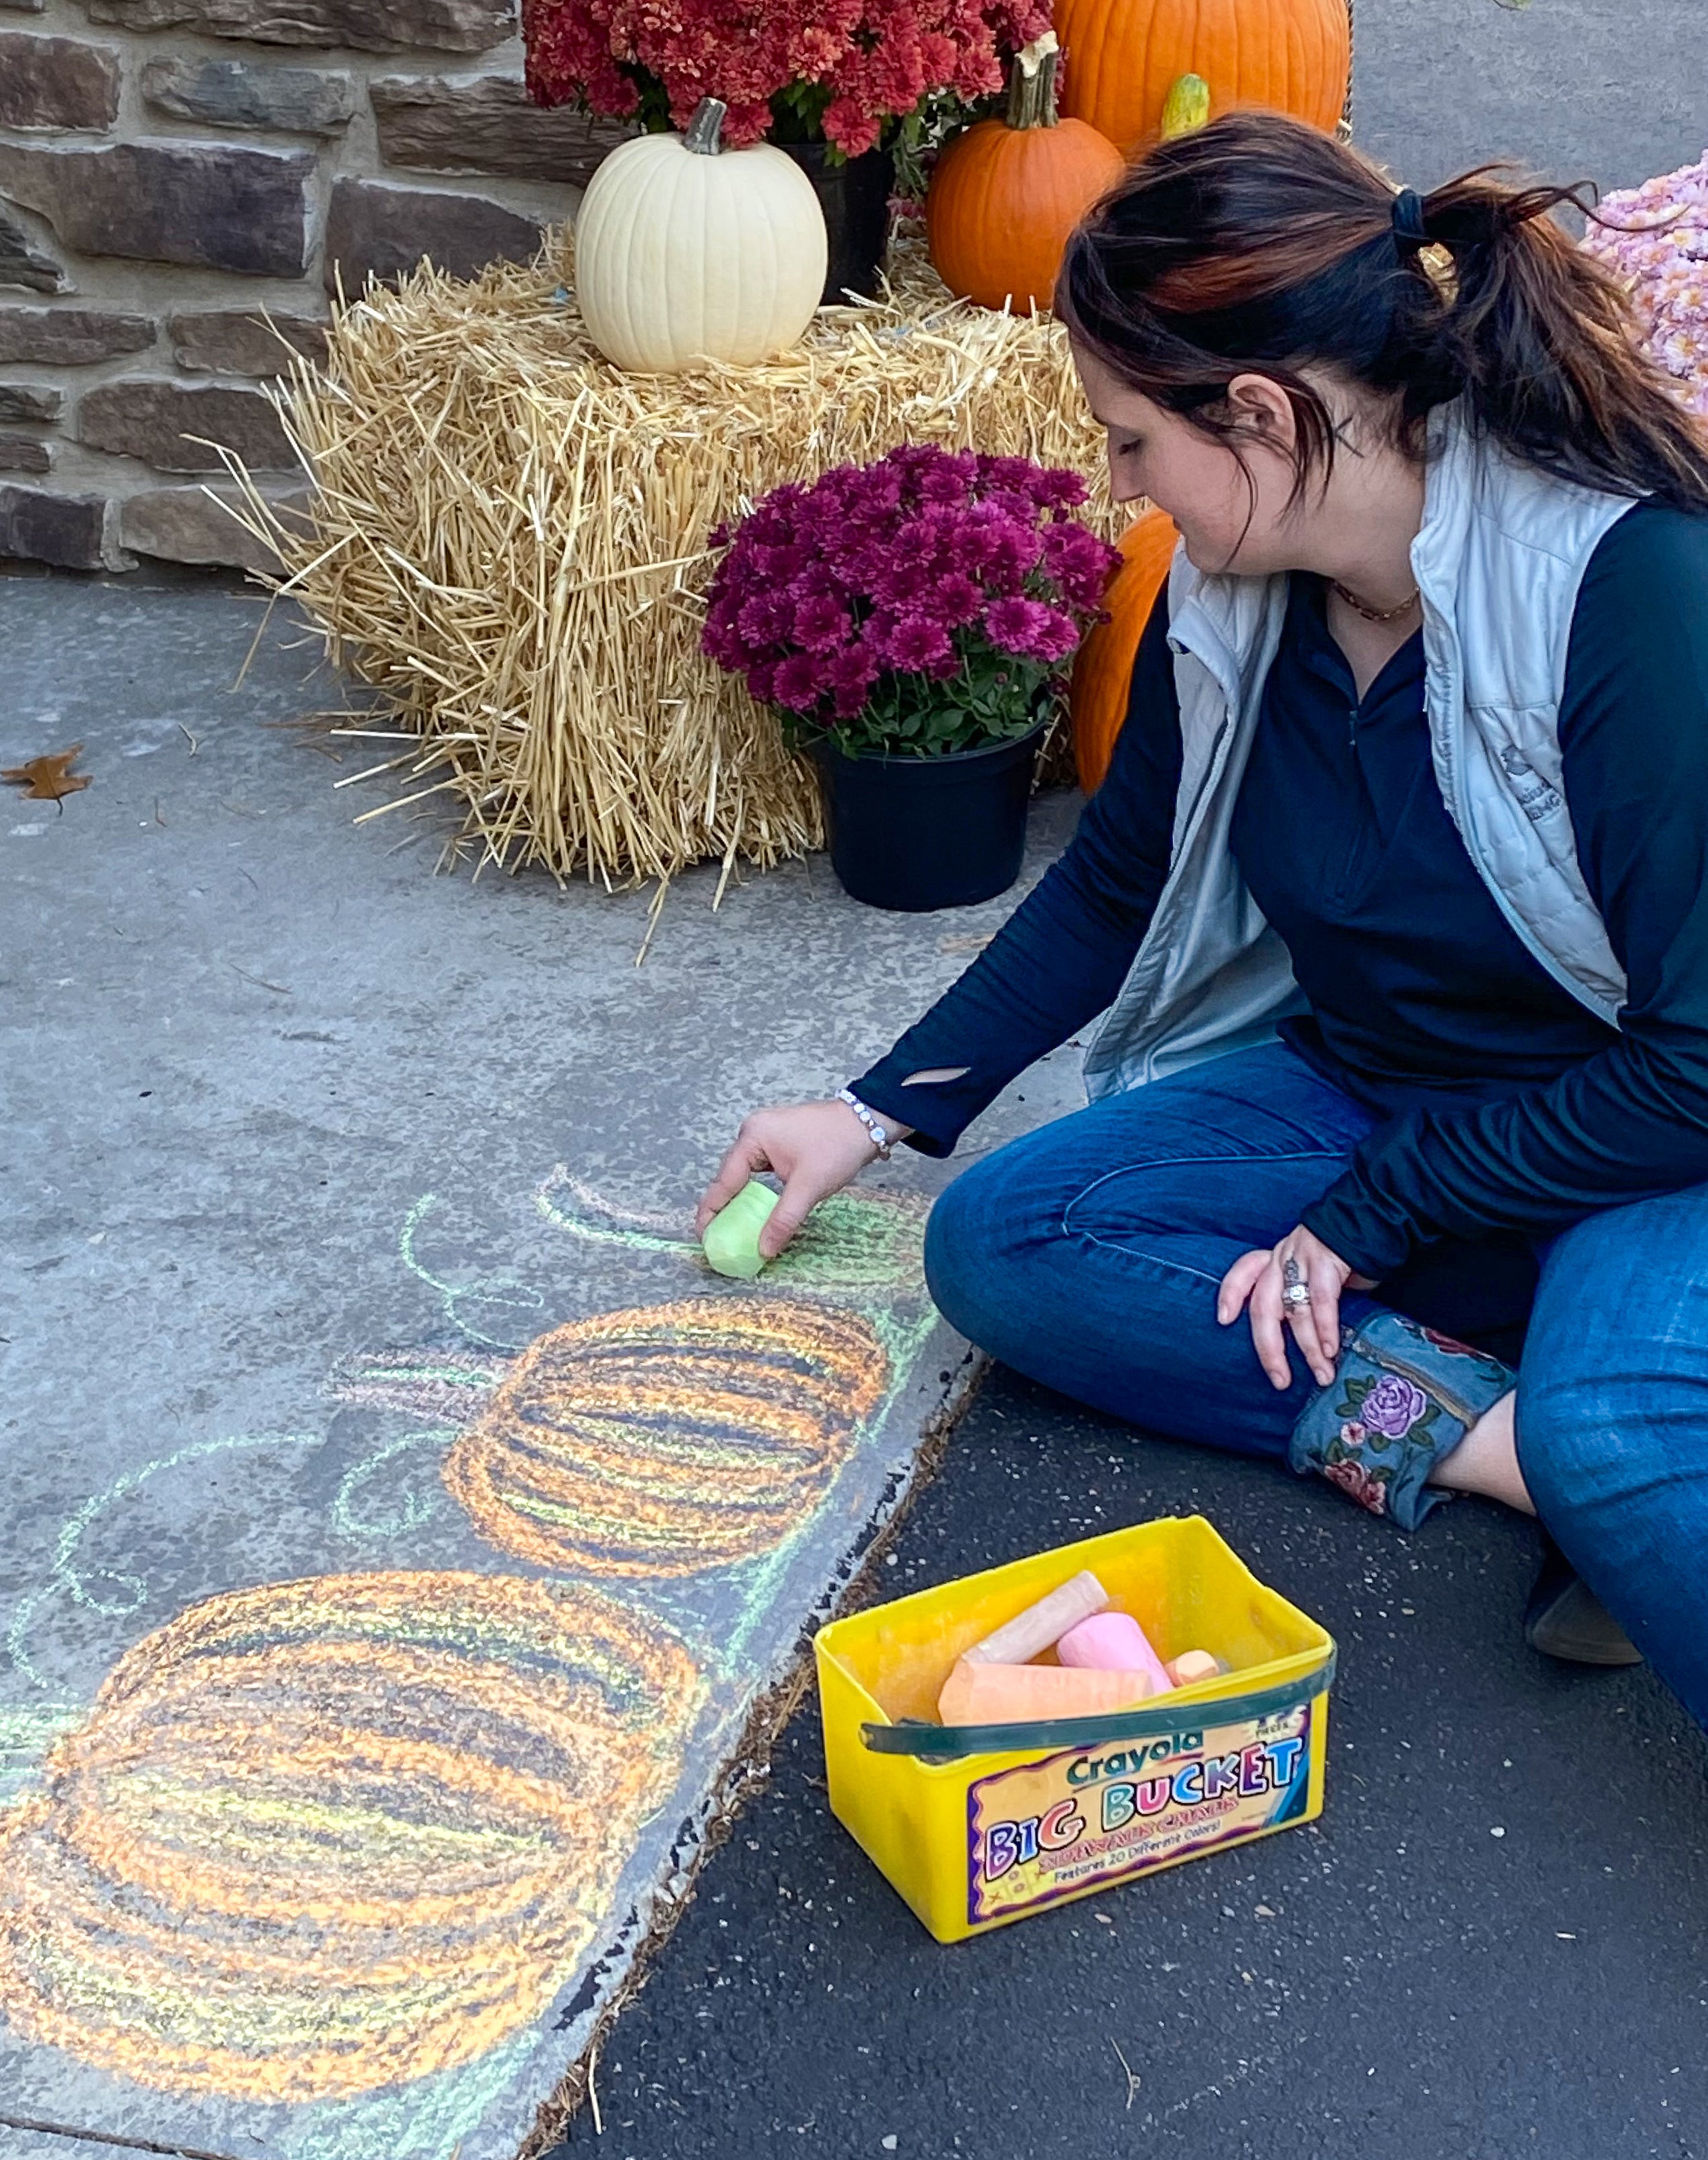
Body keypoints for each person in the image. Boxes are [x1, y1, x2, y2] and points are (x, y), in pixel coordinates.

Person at [697, 112, 1708, 1727]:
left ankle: (1584, 1416)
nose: (1116, 484)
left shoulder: (1632, 586)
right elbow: (1118, 877)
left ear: (1257, 411)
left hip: (1646, 1138)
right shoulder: (1232, 587)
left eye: (1128, 441)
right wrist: (877, 1111)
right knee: (1008, 1245)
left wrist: (1372, 1217)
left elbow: (1696, 1065)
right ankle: (1503, 1441)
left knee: (1635, 1438)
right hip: (1378, 1083)